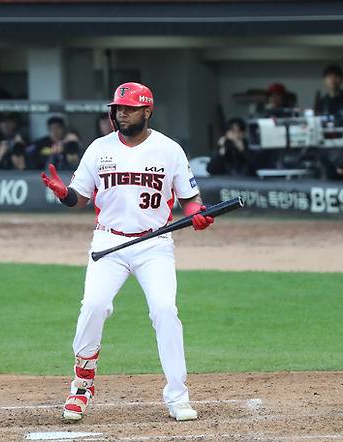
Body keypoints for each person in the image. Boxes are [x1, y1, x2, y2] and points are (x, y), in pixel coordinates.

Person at [40, 82, 213, 423]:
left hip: (154, 243)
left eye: (130, 108)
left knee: (165, 310)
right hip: (109, 243)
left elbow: (190, 199)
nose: (122, 113)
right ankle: (82, 385)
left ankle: (178, 396)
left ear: (147, 111)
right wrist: (65, 195)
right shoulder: (99, 149)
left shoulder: (169, 149)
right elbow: (80, 197)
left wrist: (196, 214)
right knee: (93, 306)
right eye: (118, 108)